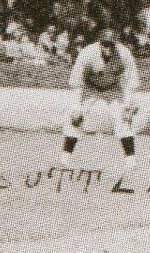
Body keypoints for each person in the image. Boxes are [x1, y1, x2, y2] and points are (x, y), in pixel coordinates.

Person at [60, 26, 141, 168]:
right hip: (89, 88)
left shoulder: (123, 53)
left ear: (116, 43)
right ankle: (65, 158)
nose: (108, 48)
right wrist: (76, 106)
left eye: (111, 45)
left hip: (113, 88)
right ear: (99, 42)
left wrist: (128, 106)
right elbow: (77, 82)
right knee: (75, 118)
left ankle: (131, 160)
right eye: (105, 44)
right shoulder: (87, 53)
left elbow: (130, 82)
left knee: (123, 118)